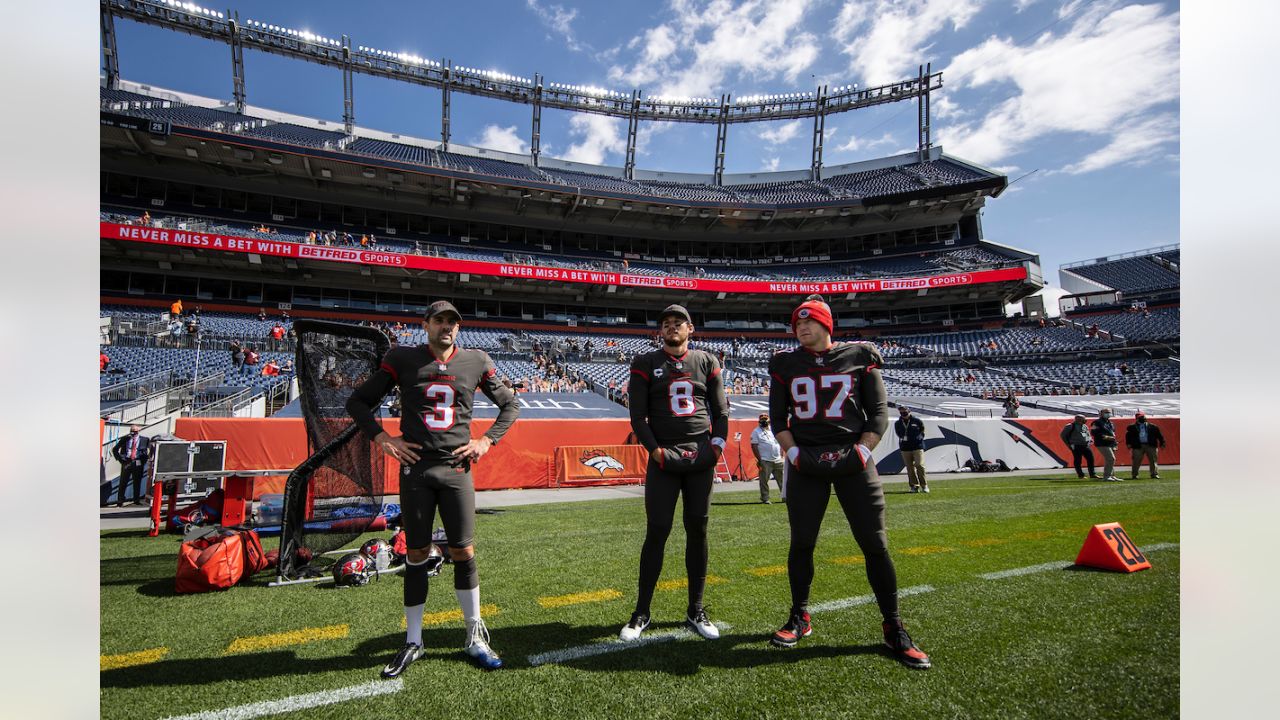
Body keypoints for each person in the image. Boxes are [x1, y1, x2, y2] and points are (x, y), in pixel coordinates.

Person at [347, 300, 519, 677]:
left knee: (463, 549)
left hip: (457, 469)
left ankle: (475, 637)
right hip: (417, 469)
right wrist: (382, 438)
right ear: (425, 324)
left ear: (458, 328)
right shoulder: (403, 358)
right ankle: (414, 640)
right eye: (439, 320)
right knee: (417, 551)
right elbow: (357, 402)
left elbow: (510, 406)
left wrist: (486, 441)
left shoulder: (476, 360)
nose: (447, 327)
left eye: (452, 322)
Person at [767, 296, 930, 669]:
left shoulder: (860, 356)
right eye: (797, 324)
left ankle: (893, 625)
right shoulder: (784, 364)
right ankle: (799, 616)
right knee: (802, 542)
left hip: (854, 459)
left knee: (874, 543)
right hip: (806, 460)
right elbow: (779, 420)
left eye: (810, 322)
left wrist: (863, 451)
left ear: (827, 324)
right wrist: (792, 454)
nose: (802, 328)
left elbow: (877, 414)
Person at [619, 304, 728, 643]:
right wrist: (655, 451)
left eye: (677, 323)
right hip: (664, 456)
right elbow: (638, 417)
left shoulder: (707, 361)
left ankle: (696, 608)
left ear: (690, 328)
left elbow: (721, 410)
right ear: (660, 331)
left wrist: (717, 446)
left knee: (698, 528)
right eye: (666, 324)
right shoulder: (645, 363)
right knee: (658, 530)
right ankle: (641, 611)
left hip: (700, 455)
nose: (671, 327)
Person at [110, 425, 152, 507]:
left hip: (138, 461)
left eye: (135, 431)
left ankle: (136, 500)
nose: (133, 433)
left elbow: (151, 449)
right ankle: (120, 500)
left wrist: (146, 459)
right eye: (132, 431)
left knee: (137, 482)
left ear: (138, 431)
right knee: (123, 482)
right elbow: (115, 449)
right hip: (127, 462)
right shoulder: (125, 439)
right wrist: (121, 459)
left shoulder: (144, 439)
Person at [751, 413, 784, 504]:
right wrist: (759, 459)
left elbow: (780, 443)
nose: (764, 421)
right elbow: (754, 446)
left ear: (769, 420)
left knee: (782, 480)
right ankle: (765, 498)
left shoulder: (773, 430)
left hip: (777, 459)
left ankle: (785, 497)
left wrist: (781, 455)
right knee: (764, 480)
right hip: (765, 460)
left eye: (766, 419)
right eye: (762, 419)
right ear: (759, 421)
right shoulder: (756, 431)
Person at [894, 406, 928, 493]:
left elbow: (922, 430)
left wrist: (919, 438)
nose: (903, 415)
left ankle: (924, 485)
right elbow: (898, 433)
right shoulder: (898, 423)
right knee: (909, 468)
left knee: (919, 465)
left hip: (917, 446)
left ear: (909, 411)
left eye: (905, 412)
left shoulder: (917, 421)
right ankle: (914, 486)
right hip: (905, 447)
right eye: (901, 413)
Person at [1125, 412, 1166, 479]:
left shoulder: (1153, 426)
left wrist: (1162, 443)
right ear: (1137, 419)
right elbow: (1128, 436)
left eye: (1143, 417)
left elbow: (1159, 435)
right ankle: (1135, 475)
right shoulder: (1131, 427)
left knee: (1153, 460)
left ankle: (1154, 474)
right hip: (1138, 446)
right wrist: (1128, 444)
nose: (1142, 419)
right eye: (1140, 417)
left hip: (1150, 445)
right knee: (1136, 461)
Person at [1060, 415, 1099, 479]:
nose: (1085, 420)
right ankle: (1081, 475)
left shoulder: (1084, 426)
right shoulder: (1070, 426)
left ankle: (1092, 474)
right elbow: (1063, 435)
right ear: (1078, 419)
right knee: (1078, 460)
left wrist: (1090, 439)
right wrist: (1068, 444)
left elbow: (1087, 434)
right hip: (1076, 445)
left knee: (1091, 459)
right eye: (1083, 419)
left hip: (1085, 445)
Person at [1091, 408, 1120, 481]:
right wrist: (1105, 437)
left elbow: (1113, 433)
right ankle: (1107, 476)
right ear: (1101, 413)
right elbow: (1094, 432)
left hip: (1111, 443)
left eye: (1109, 412)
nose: (1108, 414)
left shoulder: (1111, 423)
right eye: (1106, 412)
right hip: (1102, 443)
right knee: (1111, 458)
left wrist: (1114, 441)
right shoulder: (1097, 422)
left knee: (1110, 460)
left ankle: (1112, 476)